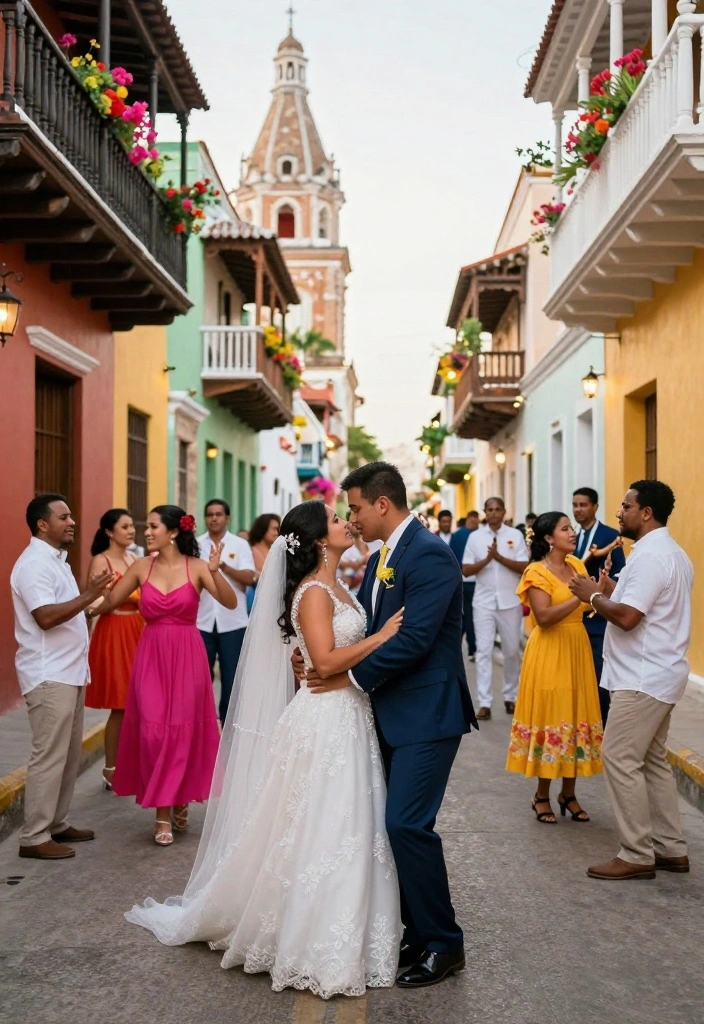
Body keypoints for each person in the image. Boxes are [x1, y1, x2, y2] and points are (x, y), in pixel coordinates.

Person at [124, 501, 403, 998]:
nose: (346, 523)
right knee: (320, 824)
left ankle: (353, 926)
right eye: (337, 520)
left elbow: (317, 657)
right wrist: (381, 637)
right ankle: (309, 937)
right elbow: (323, 657)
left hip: (348, 716)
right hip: (324, 721)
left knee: (348, 824)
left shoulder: (340, 586)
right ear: (319, 539)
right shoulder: (314, 592)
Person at [303, 462, 477, 988]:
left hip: (427, 714)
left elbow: (415, 639)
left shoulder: (428, 554)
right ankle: (419, 932)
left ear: (382, 504)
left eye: (354, 507)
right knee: (387, 826)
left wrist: (348, 679)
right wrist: (325, 661)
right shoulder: (384, 556)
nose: (351, 519)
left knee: (406, 824)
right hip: (391, 713)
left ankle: (445, 943)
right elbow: (372, 630)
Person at [569, 481, 693, 881]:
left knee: (620, 757)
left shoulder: (651, 558)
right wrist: (607, 588)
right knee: (652, 761)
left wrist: (591, 596)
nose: (618, 513)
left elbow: (627, 618)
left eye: (625, 506)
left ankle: (637, 852)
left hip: (642, 677)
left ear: (646, 513)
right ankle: (670, 848)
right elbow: (638, 604)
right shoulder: (671, 553)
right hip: (661, 672)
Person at [94, 506, 236, 846]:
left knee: (181, 731)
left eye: (153, 525)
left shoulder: (199, 567)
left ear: (172, 532)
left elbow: (230, 602)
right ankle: (162, 811)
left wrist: (216, 573)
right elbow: (110, 600)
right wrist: (84, 603)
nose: (146, 531)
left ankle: (177, 799)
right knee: (154, 733)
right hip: (151, 655)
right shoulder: (141, 566)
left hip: (188, 655)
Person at [11, 494, 113, 860]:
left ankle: (56, 823)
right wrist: (89, 596)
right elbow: (45, 617)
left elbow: (67, 614)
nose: (72, 521)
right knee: (49, 756)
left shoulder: (57, 562)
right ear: (42, 524)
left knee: (68, 754)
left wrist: (89, 606)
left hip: (69, 670)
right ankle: (33, 837)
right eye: (63, 516)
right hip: (48, 673)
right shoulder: (33, 565)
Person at [506, 512, 603, 823]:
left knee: (575, 714)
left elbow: (591, 603)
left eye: (571, 528)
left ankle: (569, 794)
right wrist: (580, 597)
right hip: (549, 650)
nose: (572, 533)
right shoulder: (536, 572)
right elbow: (544, 617)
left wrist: (600, 589)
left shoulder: (577, 565)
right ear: (549, 538)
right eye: (565, 529)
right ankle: (542, 795)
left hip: (577, 646)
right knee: (552, 717)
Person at [85, 508, 145, 791]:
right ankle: (111, 768)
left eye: (132, 526)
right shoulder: (101, 561)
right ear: (109, 531)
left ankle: (132, 762)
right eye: (125, 526)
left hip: (139, 630)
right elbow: (102, 601)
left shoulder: (134, 558)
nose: (131, 530)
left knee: (140, 703)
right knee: (120, 705)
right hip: (115, 631)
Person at [462, 497, 529, 719]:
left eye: (497, 509)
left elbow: (524, 566)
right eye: (489, 509)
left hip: (510, 601)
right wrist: (487, 560)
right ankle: (485, 703)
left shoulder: (515, 535)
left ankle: (510, 697)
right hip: (483, 602)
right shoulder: (475, 537)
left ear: (504, 511)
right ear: (484, 512)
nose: (493, 513)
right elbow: (466, 570)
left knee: (511, 651)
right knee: (483, 651)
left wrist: (498, 557)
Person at [197, 499, 256, 725]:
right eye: (210, 514)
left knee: (231, 678)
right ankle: (204, 723)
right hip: (201, 621)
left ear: (227, 518)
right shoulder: (196, 544)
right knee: (201, 677)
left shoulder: (239, 545)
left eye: (218, 514)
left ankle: (227, 727)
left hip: (233, 621)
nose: (214, 518)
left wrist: (221, 567)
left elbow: (249, 578)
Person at [572, 487, 626, 725]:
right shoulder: (571, 535)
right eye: (575, 505)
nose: (578, 510)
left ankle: (601, 725)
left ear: (595, 507)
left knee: (598, 674)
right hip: (573, 616)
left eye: (583, 505)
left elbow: (619, 576)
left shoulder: (608, 535)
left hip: (598, 617)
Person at [449, 511, 479, 659]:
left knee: (467, 615)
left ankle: (466, 646)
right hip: (469, 581)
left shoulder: (457, 535)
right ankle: (472, 647)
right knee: (470, 615)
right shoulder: (476, 535)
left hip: (467, 581)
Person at [247, 513, 281, 612]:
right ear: (263, 529)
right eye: (274, 529)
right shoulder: (252, 552)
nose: (276, 533)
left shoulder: (274, 552)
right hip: (257, 605)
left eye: (278, 529)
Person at [337, 515, 369, 593]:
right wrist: (364, 560)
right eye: (351, 523)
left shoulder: (372, 542)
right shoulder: (344, 546)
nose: (355, 525)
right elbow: (344, 565)